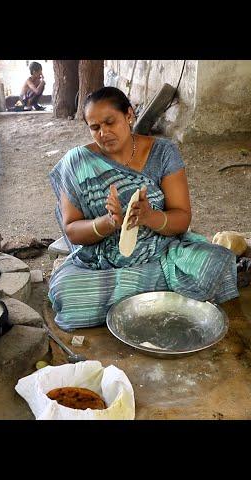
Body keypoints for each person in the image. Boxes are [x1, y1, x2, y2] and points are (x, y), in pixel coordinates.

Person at [48, 86, 239, 331]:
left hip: (160, 253)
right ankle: (166, 296)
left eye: (110, 122)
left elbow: (181, 218)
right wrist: (108, 223)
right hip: (102, 262)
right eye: (95, 127)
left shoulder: (163, 153)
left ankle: (134, 296)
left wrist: (150, 217)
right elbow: (72, 229)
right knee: (65, 291)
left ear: (129, 115)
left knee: (217, 261)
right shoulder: (77, 162)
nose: (103, 133)